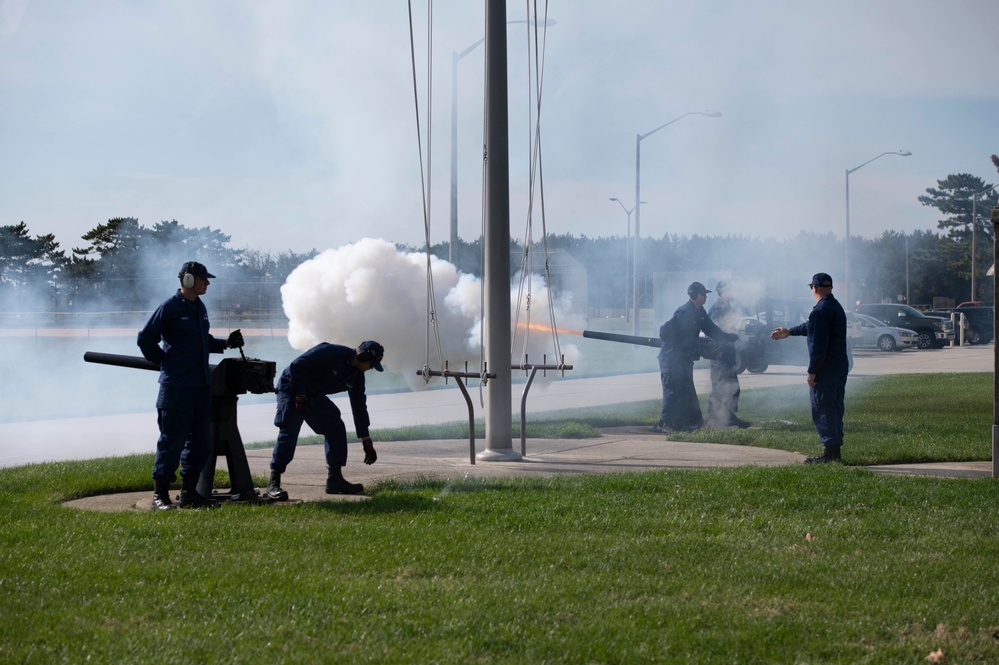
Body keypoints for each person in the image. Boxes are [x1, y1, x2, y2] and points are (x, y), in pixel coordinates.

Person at [138, 261, 244, 510]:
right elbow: (145, 339)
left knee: (200, 443)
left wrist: (225, 343)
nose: (207, 283)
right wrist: (163, 361)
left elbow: (202, 340)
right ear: (187, 280)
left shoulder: (199, 307)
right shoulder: (169, 308)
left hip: (199, 386)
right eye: (203, 279)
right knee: (171, 441)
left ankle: (189, 494)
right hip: (176, 388)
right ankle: (160, 496)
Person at [267, 340, 385, 499]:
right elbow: (297, 366)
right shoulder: (331, 352)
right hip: (292, 388)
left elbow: (359, 408)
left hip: (313, 394)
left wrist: (367, 442)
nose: (370, 368)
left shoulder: (356, 376)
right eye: (371, 364)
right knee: (290, 427)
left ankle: (335, 480)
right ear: (363, 356)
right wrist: (300, 394)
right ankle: (273, 482)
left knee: (334, 424)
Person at [769, 272, 849, 464]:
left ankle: (830, 453)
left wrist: (812, 371)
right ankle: (834, 451)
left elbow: (818, 345)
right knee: (835, 407)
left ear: (814, 288)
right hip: (839, 366)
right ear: (830, 287)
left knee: (823, 407)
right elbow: (810, 327)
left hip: (825, 369)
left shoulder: (820, 311)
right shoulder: (835, 307)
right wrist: (789, 332)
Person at [654, 281, 738, 434]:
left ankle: (690, 422)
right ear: (693, 295)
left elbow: (711, 329)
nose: (706, 296)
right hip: (671, 359)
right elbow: (664, 333)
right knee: (672, 391)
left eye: (706, 294)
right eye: (703, 294)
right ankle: (665, 423)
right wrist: (683, 345)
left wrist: (727, 336)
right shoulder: (684, 312)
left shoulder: (700, 312)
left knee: (687, 391)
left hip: (684, 359)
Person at [707, 280, 751, 429]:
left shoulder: (728, 308)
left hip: (728, 354)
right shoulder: (717, 309)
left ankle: (730, 416)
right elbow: (711, 333)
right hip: (720, 355)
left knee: (732, 388)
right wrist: (718, 349)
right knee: (720, 388)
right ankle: (716, 420)